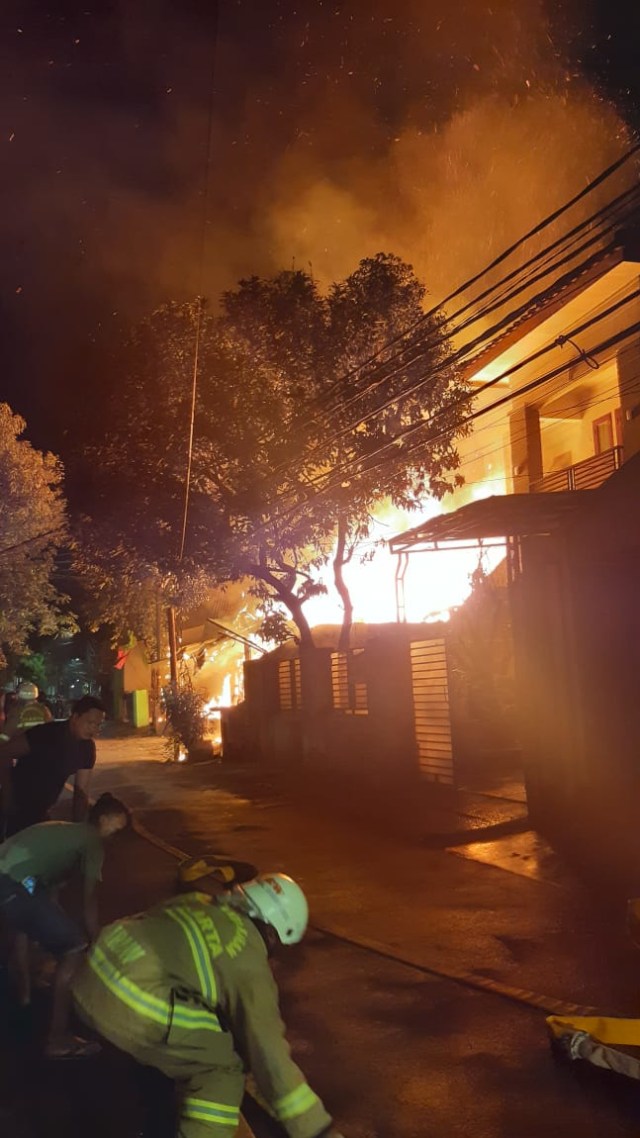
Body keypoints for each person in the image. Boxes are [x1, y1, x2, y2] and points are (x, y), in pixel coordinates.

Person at [73, 872, 345, 1138]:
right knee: (221, 1069)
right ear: (275, 935)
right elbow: (270, 1058)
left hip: (92, 967)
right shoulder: (248, 961)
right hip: (126, 998)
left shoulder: (197, 901)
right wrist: (318, 1129)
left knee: (196, 1040)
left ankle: (154, 1110)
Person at [0, 792, 130, 1057]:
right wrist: (96, 943)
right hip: (11, 884)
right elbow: (89, 902)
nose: (117, 835)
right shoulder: (91, 841)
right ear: (103, 819)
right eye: (117, 827)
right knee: (74, 947)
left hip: (11, 880)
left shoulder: (65, 832)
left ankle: (25, 993)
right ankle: (58, 1038)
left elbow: (47, 902)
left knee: (27, 925)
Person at [0, 694, 106, 836]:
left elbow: (81, 792)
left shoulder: (86, 748)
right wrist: (7, 796)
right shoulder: (46, 734)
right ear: (75, 717)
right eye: (90, 723)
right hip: (14, 806)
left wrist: (78, 832)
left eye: (98, 725)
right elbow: (4, 753)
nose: (93, 729)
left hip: (41, 812)